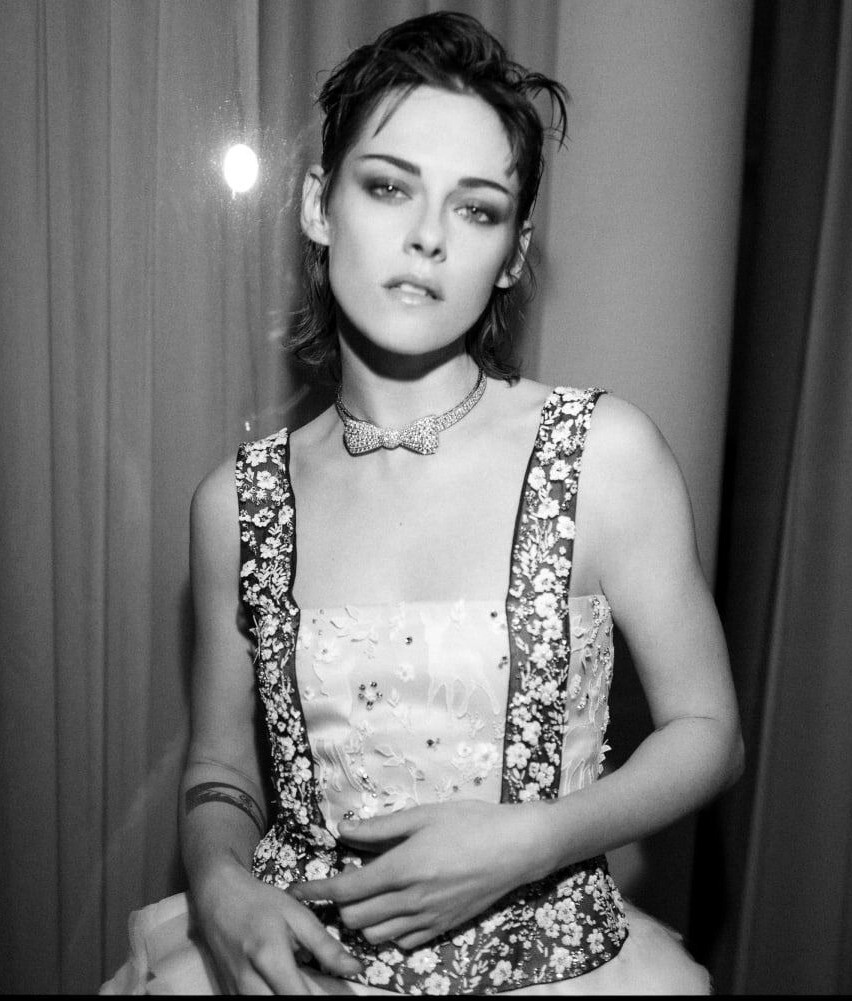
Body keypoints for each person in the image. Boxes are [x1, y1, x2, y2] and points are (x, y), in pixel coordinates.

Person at [102, 10, 743, 995]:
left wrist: (532, 839)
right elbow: (222, 772)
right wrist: (221, 882)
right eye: (389, 186)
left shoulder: (604, 456)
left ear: (515, 253)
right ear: (319, 205)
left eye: (477, 209)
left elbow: (708, 729)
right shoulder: (237, 503)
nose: (429, 237)